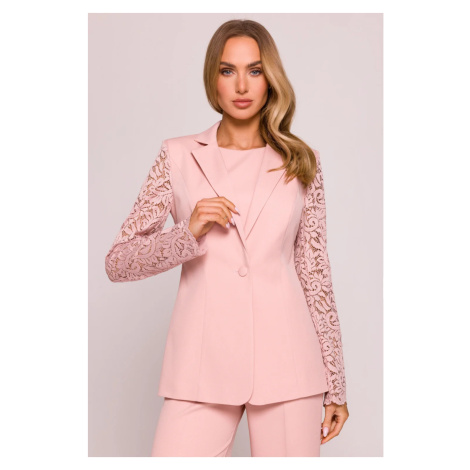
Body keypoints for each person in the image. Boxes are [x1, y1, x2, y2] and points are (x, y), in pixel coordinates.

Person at [105, 19, 349, 457]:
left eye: (254, 70)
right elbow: (118, 262)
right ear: (211, 78)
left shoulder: (302, 161)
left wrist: (336, 384)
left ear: (270, 78)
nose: (241, 85)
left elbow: (314, 274)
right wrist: (187, 232)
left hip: (289, 364)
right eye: (227, 70)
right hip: (201, 364)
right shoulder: (178, 155)